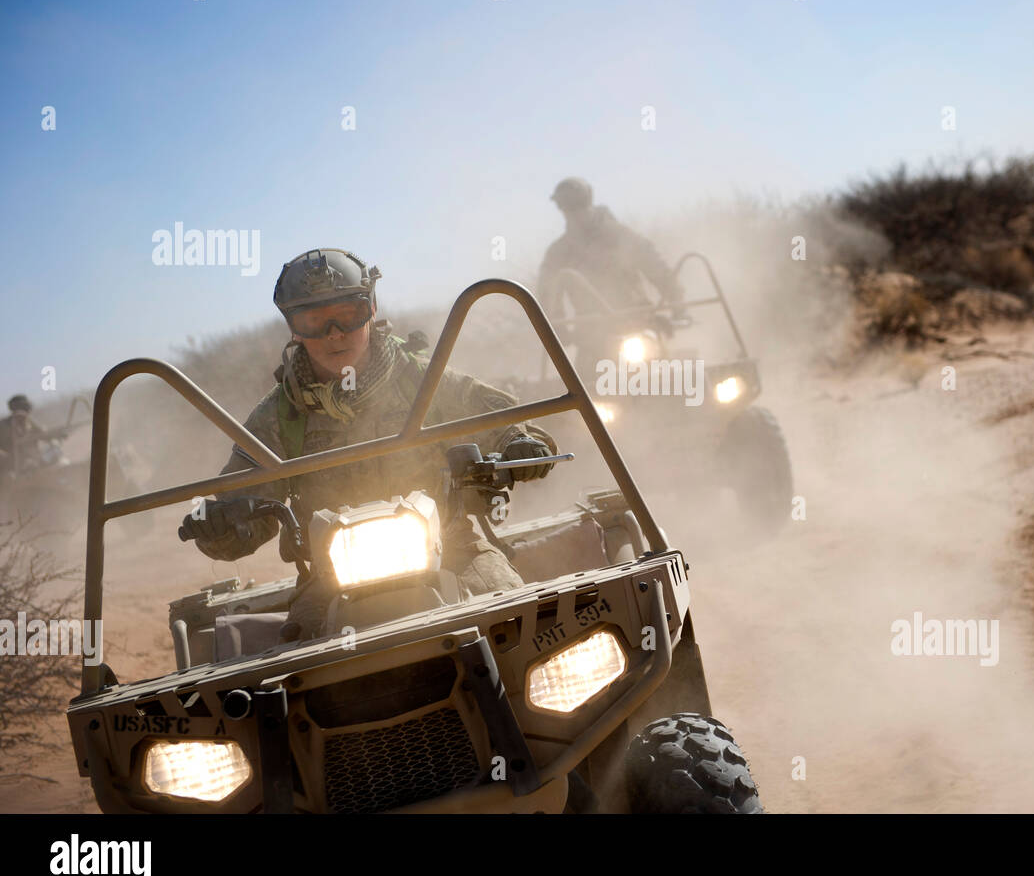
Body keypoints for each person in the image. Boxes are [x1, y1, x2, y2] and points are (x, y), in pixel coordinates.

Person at [178, 248, 557, 639]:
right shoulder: (278, 415)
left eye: (347, 314)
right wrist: (221, 523)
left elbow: (500, 419)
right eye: (313, 320)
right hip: (330, 577)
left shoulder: (424, 378)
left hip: (454, 549)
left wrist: (521, 444)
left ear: (371, 308)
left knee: (515, 620)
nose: (334, 334)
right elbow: (246, 510)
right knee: (304, 663)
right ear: (293, 327)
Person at [537, 177, 685, 322]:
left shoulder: (622, 237)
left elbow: (656, 266)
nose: (574, 213)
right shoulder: (559, 252)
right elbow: (547, 291)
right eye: (566, 207)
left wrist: (677, 302)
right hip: (590, 330)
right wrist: (556, 328)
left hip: (639, 318)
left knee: (660, 340)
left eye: (578, 205)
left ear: (588, 201)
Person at [0, 395, 47, 477]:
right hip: (13, 468)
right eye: (24, 407)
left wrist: (57, 435)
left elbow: (44, 434)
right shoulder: (4, 425)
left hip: (33, 462)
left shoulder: (29, 422)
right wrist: (7, 459)